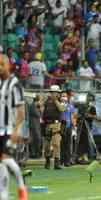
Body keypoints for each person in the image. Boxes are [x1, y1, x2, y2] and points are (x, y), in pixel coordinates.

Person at [0, 54, 27, 200]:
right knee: (1, 164)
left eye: (1, 64)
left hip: (9, 130)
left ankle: (21, 187)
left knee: (5, 159)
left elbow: (20, 111)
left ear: (8, 66)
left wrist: (17, 130)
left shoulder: (14, 84)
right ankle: (3, 195)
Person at [42, 85, 65, 170]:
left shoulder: (61, 100)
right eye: (53, 93)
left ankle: (56, 163)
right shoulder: (47, 101)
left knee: (56, 144)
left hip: (56, 125)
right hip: (47, 124)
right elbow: (41, 108)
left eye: (56, 93)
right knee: (47, 145)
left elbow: (62, 109)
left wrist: (55, 101)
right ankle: (47, 161)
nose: (55, 94)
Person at [77, 93, 97, 164]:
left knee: (88, 142)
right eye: (88, 98)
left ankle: (89, 156)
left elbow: (95, 116)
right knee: (80, 141)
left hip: (88, 126)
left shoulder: (92, 107)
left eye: (91, 98)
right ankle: (80, 156)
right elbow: (79, 115)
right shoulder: (82, 106)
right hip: (81, 126)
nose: (89, 100)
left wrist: (89, 115)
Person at [60, 90, 77, 167]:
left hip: (68, 126)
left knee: (68, 144)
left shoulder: (70, 106)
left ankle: (67, 161)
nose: (64, 97)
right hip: (61, 126)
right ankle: (61, 160)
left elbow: (73, 116)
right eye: (62, 96)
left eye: (65, 96)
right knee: (61, 144)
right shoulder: (59, 105)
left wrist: (74, 126)